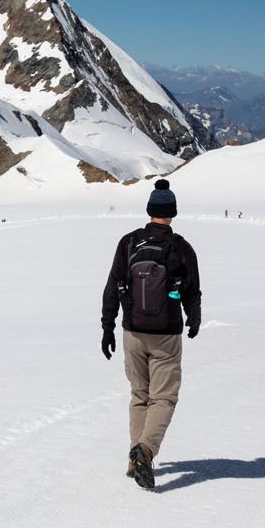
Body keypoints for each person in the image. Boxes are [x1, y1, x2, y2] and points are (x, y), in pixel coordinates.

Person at [101, 179, 202, 490]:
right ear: (171, 213)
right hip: (167, 334)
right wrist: (193, 319)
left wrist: (107, 326)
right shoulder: (182, 248)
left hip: (132, 330)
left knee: (139, 395)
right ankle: (145, 451)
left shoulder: (129, 243)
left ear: (149, 211)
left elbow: (112, 286)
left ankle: (134, 460)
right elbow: (192, 291)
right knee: (165, 397)